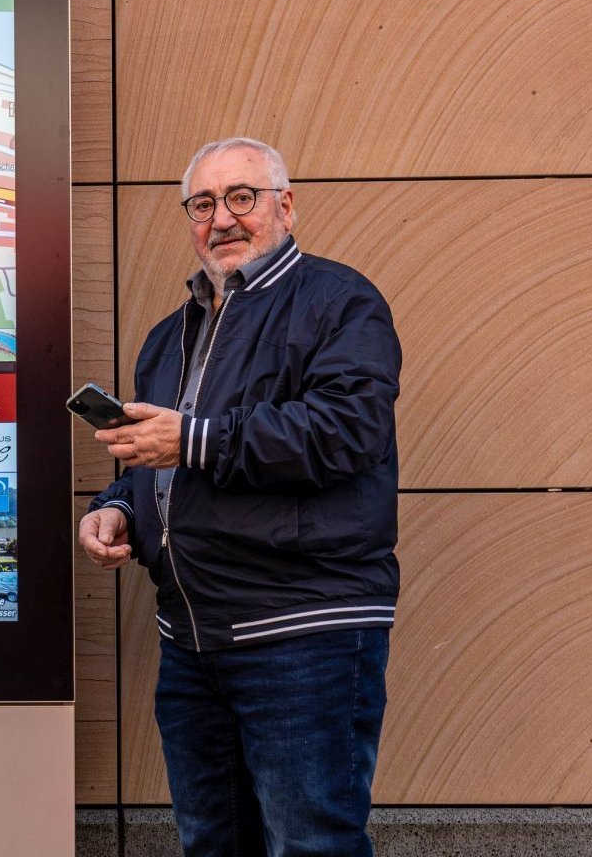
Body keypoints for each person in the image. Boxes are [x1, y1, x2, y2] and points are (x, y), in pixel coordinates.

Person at [78, 137, 403, 857]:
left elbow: (348, 431)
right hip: (192, 643)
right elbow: (161, 457)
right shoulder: (172, 335)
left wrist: (190, 441)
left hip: (304, 635)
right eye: (202, 204)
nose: (221, 219)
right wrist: (121, 506)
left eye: (241, 198)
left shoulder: (341, 301)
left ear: (285, 206)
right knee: (213, 844)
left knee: (311, 845)